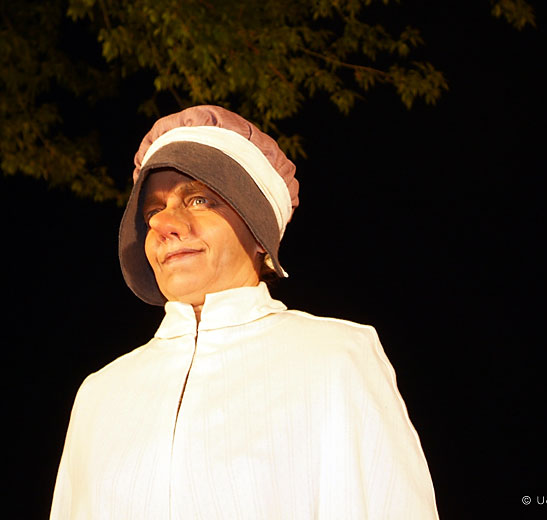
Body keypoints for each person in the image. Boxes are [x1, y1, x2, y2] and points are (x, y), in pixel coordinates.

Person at [50, 105, 439, 519]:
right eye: (152, 212)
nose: (164, 223)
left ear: (258, 231)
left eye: (199, 200)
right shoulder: (100, 394)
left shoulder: (335, 357)